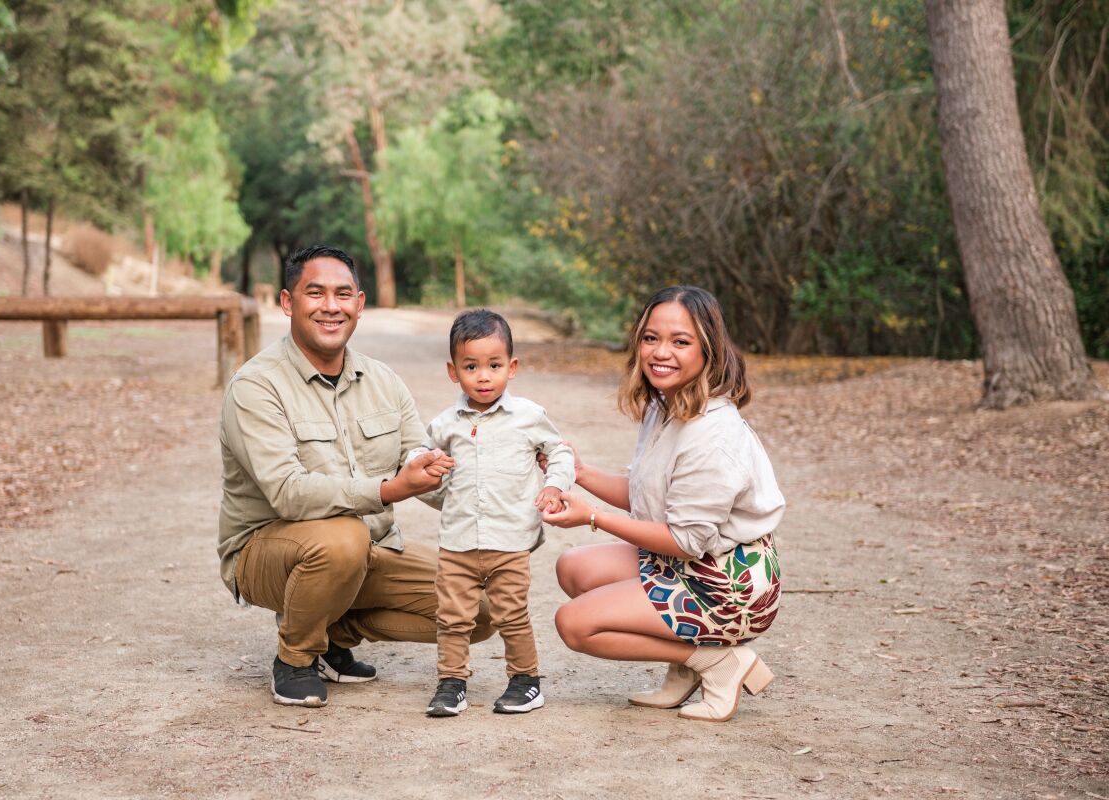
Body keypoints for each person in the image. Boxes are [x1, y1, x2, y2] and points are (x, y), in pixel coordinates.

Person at [217, 245, 493, 709]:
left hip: (370, 550)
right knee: (342, 539)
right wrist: (389, 490)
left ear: (359, 305)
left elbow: (420, 461)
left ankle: (333, 630)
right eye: (315, 293)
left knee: (479, 608)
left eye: (343, 294)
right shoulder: (255, 386)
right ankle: (296, 658)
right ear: (288, 303)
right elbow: (287, 493)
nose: (331, 306)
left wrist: (505, 480)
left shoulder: (383, 379)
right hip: (267, 553)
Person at [541, 285, 785, 722]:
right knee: (573, 568)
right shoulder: (667, 404)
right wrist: (579, 473)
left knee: (575, 624)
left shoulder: (714, 434)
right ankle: (685, 664)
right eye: (651, 338)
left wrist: (592, 517)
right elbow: (650, 496)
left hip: (728, 586)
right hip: (692, 564)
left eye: (680, 341)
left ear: (709, 349)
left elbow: (685, 539)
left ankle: (716, 662)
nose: (660, 352)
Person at [413, 310, 575, 717]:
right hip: (458, 541)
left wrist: (555, 485)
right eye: (471, 366)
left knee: (511, 613)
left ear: (512, 367)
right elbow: (420, 455)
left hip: (509, 541)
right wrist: (425, 464)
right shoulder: (446, 424)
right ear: (454, 372)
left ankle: (526, 681)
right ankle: (452, 683)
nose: (483, 376)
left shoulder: (528, 417)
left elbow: (560, 450)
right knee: (452, 617)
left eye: (494, 365)